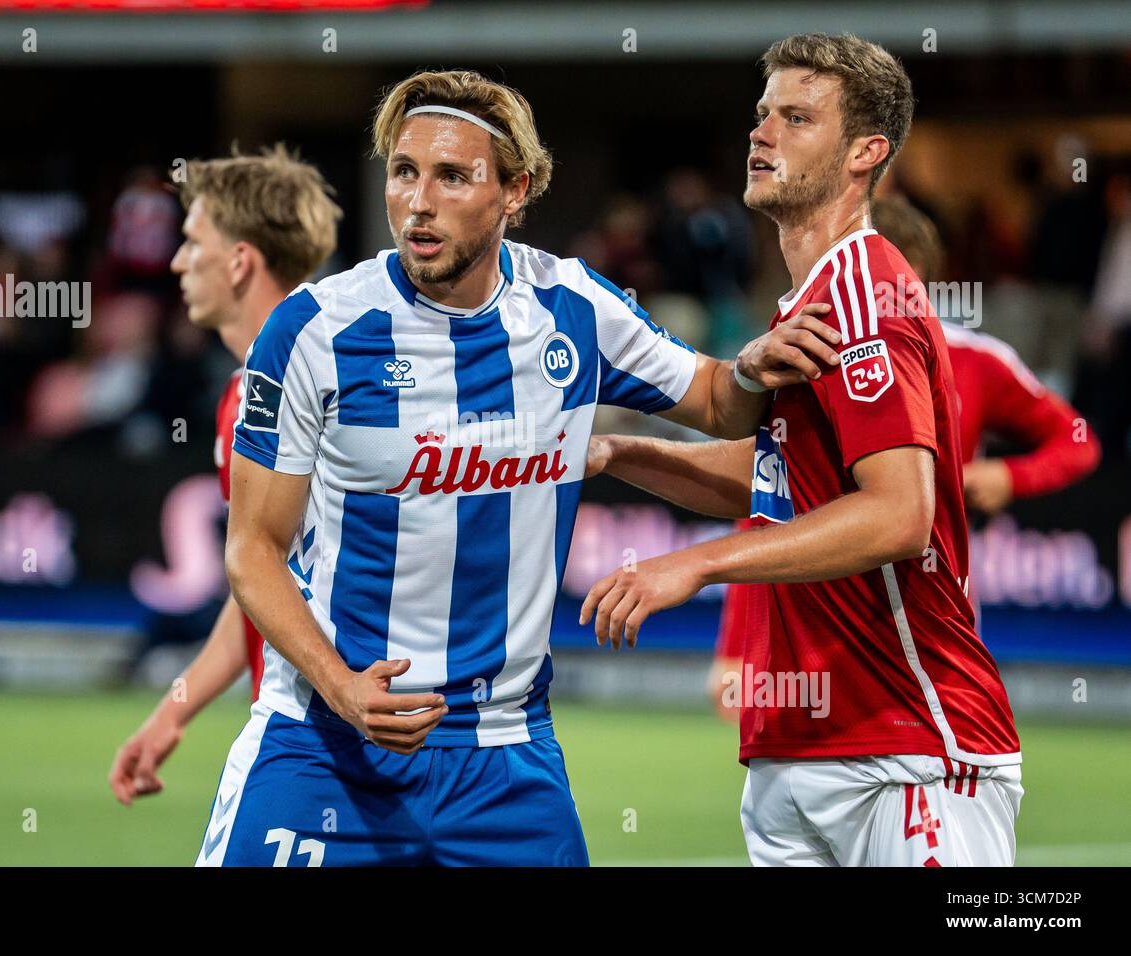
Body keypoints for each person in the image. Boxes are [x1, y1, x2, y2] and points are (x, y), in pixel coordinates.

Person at [196, 68, 839, 867]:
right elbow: (252, 552)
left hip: (506, 761)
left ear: (515, 191)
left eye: (453, 176)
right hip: (325, 747)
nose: (418, 201)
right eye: (404, 171)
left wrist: (748, 368)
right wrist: (339, 684)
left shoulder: (571, 307)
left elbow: (716, 400)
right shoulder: (313, 332)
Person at [583, 34, 1022, 866]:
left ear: (866, 152)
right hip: (796, 749)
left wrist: (696, 566)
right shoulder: (807, 300)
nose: (762, 133)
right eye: (761, 115)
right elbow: (784, 483)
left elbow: (898, 516)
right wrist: (625, 455)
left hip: (906, 751)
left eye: (795, 117)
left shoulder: (863, 287)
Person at [707, 196, 1104, 721]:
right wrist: (736, 645)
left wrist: (1010, 475)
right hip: (818, 611)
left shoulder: (975, 360)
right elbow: (765, 497)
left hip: (930, 609)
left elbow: (1078, 440)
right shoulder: (807, 353)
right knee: (808, 778)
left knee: (933, 764)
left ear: (920, 278)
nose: (872, 299)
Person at [108, 145, 341, 806]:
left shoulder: (290, 390)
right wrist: (173, 711)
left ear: (239, 260)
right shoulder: (259, 387)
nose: (177, 261)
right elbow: (255, 589)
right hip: (335, 731)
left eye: (191, 242)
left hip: (316, 738)